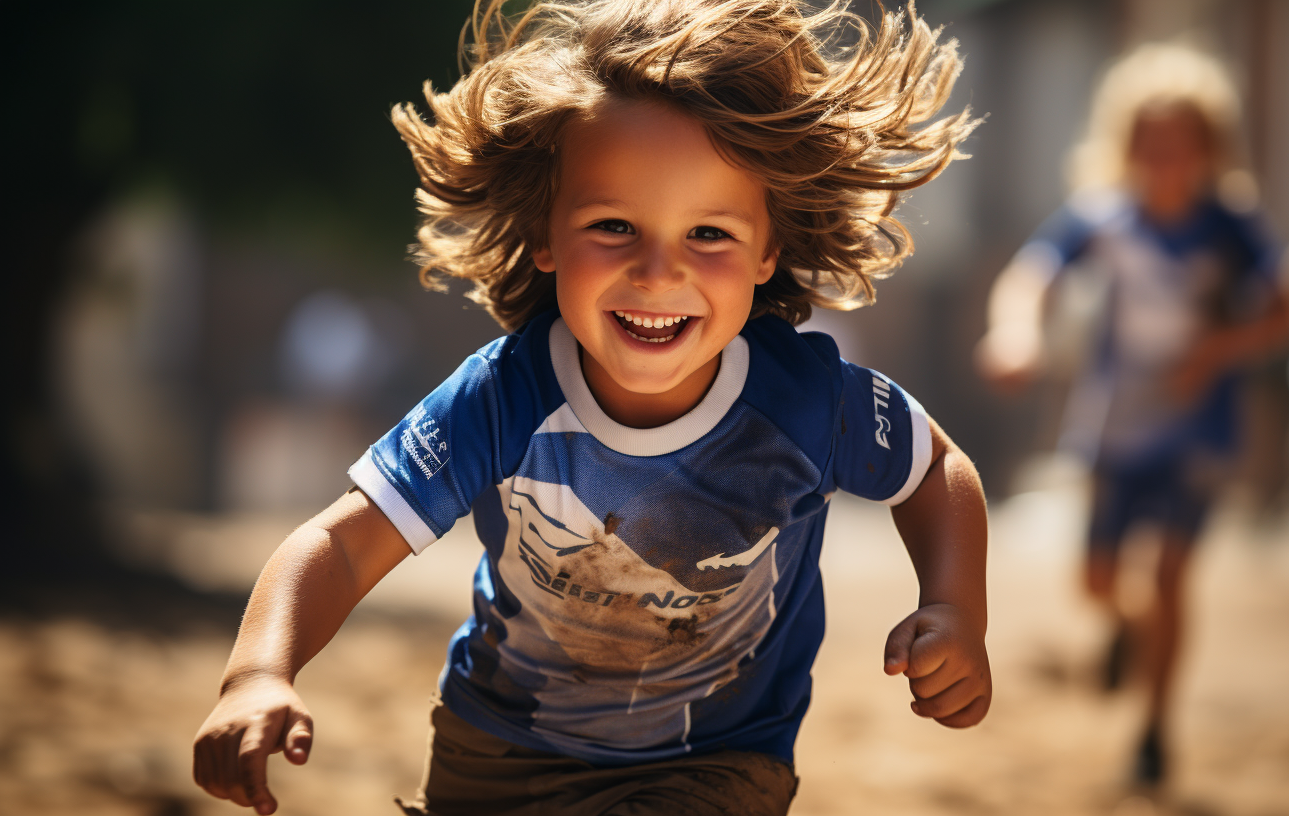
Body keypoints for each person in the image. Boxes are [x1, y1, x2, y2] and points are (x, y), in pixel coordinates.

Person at [192, 1, 992, 814]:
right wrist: (258, 675)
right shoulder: (502, 396)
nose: (656, 273)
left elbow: (934, 470)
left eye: (708, 235)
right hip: (497, 750)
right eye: (614, 225)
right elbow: (341, 543)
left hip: (718, 758)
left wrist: (955, 608)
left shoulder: (808, 401)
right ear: (547, 233)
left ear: (767, 250)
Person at [976, 44, 1289, 787]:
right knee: (1095, 579)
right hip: (1116, 425)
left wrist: (1219, 349)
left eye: (1180, 143)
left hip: (1198, 429)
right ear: (1122, 146)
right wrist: (1018, 332)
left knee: (1171, 575)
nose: (1163, 158)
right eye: (1147, 143)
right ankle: (1125, 632)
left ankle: (1154, 728)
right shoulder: (1104, 219)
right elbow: (1030, 277)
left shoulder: (1230, 225)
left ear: (1211, 150)